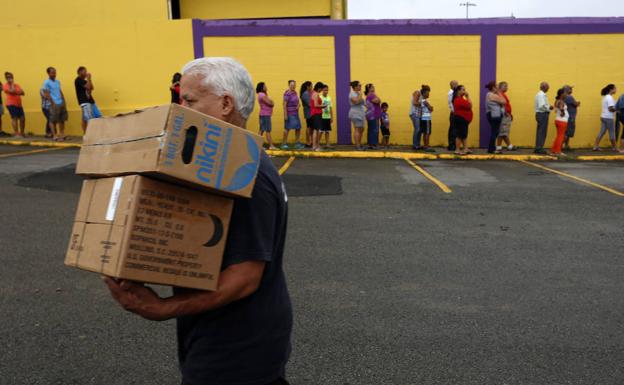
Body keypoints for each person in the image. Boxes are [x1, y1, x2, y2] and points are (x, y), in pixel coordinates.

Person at [104, 57, 293, 385]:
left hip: (237, 350)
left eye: (189, 100)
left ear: (225, 104)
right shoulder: (227, 167)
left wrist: (162, 308)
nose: (179, 109)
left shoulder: (247, 174)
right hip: (223, 335)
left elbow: (245, 277)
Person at [43, 67, 68, 141]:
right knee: (52, 120)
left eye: (55, 72)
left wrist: (63, 100)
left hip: (61, 102)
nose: (54, 74)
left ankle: (62, 134)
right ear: (48, 73)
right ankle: (54, 135)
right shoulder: (46, 82)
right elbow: (46, 94)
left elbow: (59, 90)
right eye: (52, 72)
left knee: (62, 120)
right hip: (53, 104)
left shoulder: (57, 82)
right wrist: (52, 103)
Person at [75, 66, 102, 133]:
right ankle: (89, 134)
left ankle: (86, 133)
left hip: (90, 101)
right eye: (85, 71)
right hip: (85, 102)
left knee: (97, 116)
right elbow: (88, 87)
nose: (86, 72)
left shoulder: (84, 81)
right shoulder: (78, 80)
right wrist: (89, 79)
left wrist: (89, 80)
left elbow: (92, 87)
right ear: (80, 72)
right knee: (90, 119)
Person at [593, 84, 618, 152]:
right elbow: (610, 108)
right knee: (612, 132)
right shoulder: (609, 97)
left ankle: (595, 146)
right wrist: (617, 110)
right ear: (611, 90)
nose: (616, 90)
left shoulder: (605, 97)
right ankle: (614, 147)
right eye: (615, 88)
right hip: (608, 117)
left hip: (603, 116)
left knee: (602, 132)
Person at [484, 81, 506, 154]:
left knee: (495, 132)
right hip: (495, 115)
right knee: (495, 132)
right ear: (493, 87)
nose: (498, 87)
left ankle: (492, 148)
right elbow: (504, 101)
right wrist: (499, 92)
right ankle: (491, 149)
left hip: (492, 114)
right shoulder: (492, 95)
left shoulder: (489, 94)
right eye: (496, 86)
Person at [281, 80, 303, 150]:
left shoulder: (295, 92)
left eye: (294, 85)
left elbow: (297, 101)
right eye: (291, 85)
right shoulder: (287, 93)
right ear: (289, 85)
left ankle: (297, 143)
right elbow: (284, 105)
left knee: (298, 128)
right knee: (287, 128)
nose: (293, 86)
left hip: (295, 113)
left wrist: (298, 105)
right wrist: (285, 115)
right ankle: (284, 143)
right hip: (289, 114)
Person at [3, 72, 26, 137]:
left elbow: (23, 93)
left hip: (19, 104)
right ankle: (16, 133)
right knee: (14, 118)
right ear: (6, 78)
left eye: (11, 77)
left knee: (22, 118)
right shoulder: (5, 86)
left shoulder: (17, 85)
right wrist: (13, 85)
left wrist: (15, 91)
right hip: (11, 104)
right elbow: (12, 91)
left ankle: (22, 133)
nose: (10, 78)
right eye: (8, 77)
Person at [452, 85, 473, 155]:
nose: (464, 91)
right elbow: (470, 105)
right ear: (459, 91)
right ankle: (457, 149)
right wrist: (467, 96)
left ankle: (465, 148)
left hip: (463, 119)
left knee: (464, 135)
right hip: (460, 119)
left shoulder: (461, 99)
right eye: (463, 90)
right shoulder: (458, 99)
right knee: (459, 135)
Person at [534, 81, 553, 154]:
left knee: (540, 131)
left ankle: (538, 147)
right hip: (542, 114)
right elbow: (541, 106)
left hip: (540, 114)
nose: (548, 88)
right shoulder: (541, 95)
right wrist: (549, 107)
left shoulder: (539, 94)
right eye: (548, 87)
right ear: (544, 87)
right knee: (542, 132)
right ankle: (539, 148)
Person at [256, 82, 277, 150]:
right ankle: (271, 145)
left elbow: (270, 102)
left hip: (263, 114)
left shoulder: (262, 94)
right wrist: (272, 102)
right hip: (265, 115)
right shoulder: (262, 95)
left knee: (262, 130)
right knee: (267, 130)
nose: (266, 87)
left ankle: (258, 145)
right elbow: (270, 103)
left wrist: (271, 101)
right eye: (265, 86)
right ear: (262, 87)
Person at [496, 81, 515, 152]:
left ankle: (508, 146)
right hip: (504, 115)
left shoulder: (503, 94)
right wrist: (506, 112)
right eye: (505, 86)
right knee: (502, 131)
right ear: (500, 87)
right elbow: (501, 105)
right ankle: (500, 146)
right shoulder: (500, 94)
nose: (507, 88)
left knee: (504, 131)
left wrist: (510, 113)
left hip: (507, 114)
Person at [551, 88, 569, 156]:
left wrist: (561, 111)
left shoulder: (557, 100)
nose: (566, 94)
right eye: (565, 93)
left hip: (558, 120)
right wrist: (563, 112)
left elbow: (556, 108)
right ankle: (558, 151)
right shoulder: (561, 101)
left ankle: (554, 150)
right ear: (561, 94)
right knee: (561, 136)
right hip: (562, 121)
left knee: (558, 136)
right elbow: (561, 108)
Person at [348, 80, 366, 150]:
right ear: (355, 87)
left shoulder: (358, 93)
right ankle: (357, 145)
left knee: (362, 128)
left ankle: (359, 143)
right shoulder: (352, 94)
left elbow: (363, 103)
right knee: (357, 128)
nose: (360, 86)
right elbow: (356, 101)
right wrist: (360, 95)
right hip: (355, 113)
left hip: (360, 113)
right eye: (359, 85)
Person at [562, 85, 580, 151]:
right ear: (566, 90)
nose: (571, 90)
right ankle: (559, 146)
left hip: (567, 117)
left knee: (567, 133)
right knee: (567, 133)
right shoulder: (569, 97)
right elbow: (576, 104)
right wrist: (577, 103)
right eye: (570, 88)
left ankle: (566, 146)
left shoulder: (564, 96)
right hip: (570, 117)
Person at [364, 83, 381, 149]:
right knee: (374, 129)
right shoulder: (371, 95)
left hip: (372, 115)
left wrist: (378, 99)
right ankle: (373, 144)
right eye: (372, 87)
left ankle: (371, 144)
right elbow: (378, 101)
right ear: (369, 88)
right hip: (373, 115)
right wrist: (378, 99)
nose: (374, 88)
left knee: (371, 129)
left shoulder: (371, 95)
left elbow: (378, 101)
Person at [309, 82, 324, 151]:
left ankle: (315, 145)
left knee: (316, 130)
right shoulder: (316, 94)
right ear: (319, 88)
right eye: (321, 89)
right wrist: (323, 106)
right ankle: (314, 146)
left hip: (314, 113)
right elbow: (316, 105)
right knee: (316, 130)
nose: (321, 90)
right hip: (316, 113)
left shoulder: (313, 93)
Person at [420, 85, 435, 152]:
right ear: (424, 93)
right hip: (426, 117)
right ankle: (427, 145)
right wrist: (431, 107)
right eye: (428, 92)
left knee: (425, 132)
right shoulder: (424, 101)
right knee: (427, 132)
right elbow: (431, 108)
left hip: (424, 117)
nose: (429, 94)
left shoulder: (422, 100)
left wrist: (431, 108)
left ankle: (425, 145)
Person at [299, 81, 313, 147]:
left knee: (310, 127)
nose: (312, 87)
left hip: (309, 111)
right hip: (308, 112)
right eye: (311, 86)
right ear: (308, 87)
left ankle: (310, 141)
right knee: (309, 127)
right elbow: (309, 104)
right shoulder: (305, 94)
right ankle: (308, 142)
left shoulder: (307, 93)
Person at [319, 84, 333, 149]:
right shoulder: (320, 97)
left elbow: (330, 108)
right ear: (322, 90)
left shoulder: (329, 98)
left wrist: (331, 117)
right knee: (321, 131)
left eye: (327, 90)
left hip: (328, 117)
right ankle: (317, 143)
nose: (326, 91)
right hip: (322, 116)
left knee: (327, 131)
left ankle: (327, 144)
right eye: (324, 90)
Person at [447, 80, 458, 151]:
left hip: (454, 112)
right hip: (454, 113)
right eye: (456, 84)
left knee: (453, 129)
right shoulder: (451, 92)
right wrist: (454, 111)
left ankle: (453, 144)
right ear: (452, 85)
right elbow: (451, 103)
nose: (457, 85)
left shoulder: (454, 92)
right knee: (453, 129)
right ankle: (452, 144)